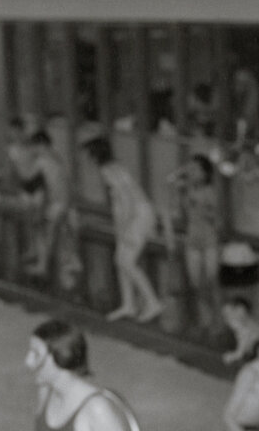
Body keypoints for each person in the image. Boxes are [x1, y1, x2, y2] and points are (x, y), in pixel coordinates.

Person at [83, 137, 163, 323]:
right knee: (120, 260)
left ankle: (153, 301)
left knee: (127, 261)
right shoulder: (113, 168)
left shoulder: (109, 170)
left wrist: (124, 228)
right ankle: (128, 304)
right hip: (135, 215)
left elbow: (127, 200)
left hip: (137, 216)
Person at [170, 154, 220, 333]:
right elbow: (176, 210)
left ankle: (216, 320)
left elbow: (215, 218)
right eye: (190, 169)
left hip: (209, 240)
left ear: (205, 173)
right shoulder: (186, 190)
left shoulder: (210, 192)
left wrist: (200, 206)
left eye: (196, 170)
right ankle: (205, 320)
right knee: (196, 283)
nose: (192, 173)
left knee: (210, 281)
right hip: (192, 239)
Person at [23, 131, 78, 280]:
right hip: (66, 202)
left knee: (44, 234)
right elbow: (66, 182)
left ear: (40, 145)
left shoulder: (41, 160)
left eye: (33, 147)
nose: (32, 150)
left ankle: (42, 267)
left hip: (57, 204)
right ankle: (72, 262)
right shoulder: (57, 157)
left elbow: (28, 181)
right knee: (64, 235)